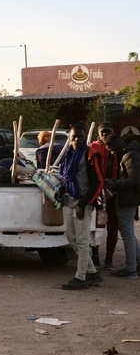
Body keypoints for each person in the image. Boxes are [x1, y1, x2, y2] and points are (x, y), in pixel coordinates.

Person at [60, 124, 101, 290]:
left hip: (84, 202)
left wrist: (84, 203)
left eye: (80, 136)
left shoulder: (90, 154)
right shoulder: (68, 154)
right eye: (73, 136)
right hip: (71, 199)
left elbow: (99, 182)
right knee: (72, 238)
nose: (77, 139)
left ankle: (80, 277)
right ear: (69, 138)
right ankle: (92, 272)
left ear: (85, 138)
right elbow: (65, 178)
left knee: (82, 241)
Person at [106, 133, 140, 279]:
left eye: (113, 150)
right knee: (129, 233)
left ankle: (130, 268)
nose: (113, 153)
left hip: (128, 200)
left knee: (127, 234)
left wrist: (112, 184)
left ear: (117, 145)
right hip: (128, 199)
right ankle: (135, 263)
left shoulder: (130, 156)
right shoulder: (130, 154)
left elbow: (133, 180)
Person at [88, 123, 118, 268]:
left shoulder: (117, 148)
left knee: (113, 227)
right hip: (98, 193)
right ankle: (95, 256)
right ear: (98, 134)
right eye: (102, 132)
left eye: (108, 131)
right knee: (96, 226)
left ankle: (109, 258)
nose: (105, 134)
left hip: (114, 193)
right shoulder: (93, 147)